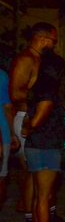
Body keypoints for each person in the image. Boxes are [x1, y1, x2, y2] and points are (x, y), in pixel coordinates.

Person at [9, 22, 58, 222]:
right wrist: (42, 96)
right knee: (33, 174)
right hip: (27, 119)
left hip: (39, 119)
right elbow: (14, 93)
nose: (54, 45)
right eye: (53, 41)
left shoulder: (41, 60)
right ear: (42, 39)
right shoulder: (26, 59)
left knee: (39, 176)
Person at [24, 51, 65, 222]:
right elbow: (36, 121)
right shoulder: (49, 93)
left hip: (38, 145)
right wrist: (29, 128)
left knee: (39, 195)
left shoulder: (37, 89)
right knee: (44, 196)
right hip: (45, 146)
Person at [0, 68, 15, 210]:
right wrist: (13, 133)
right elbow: (7, 108)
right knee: (2, 175)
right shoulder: (2, 76)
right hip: (2, 132)